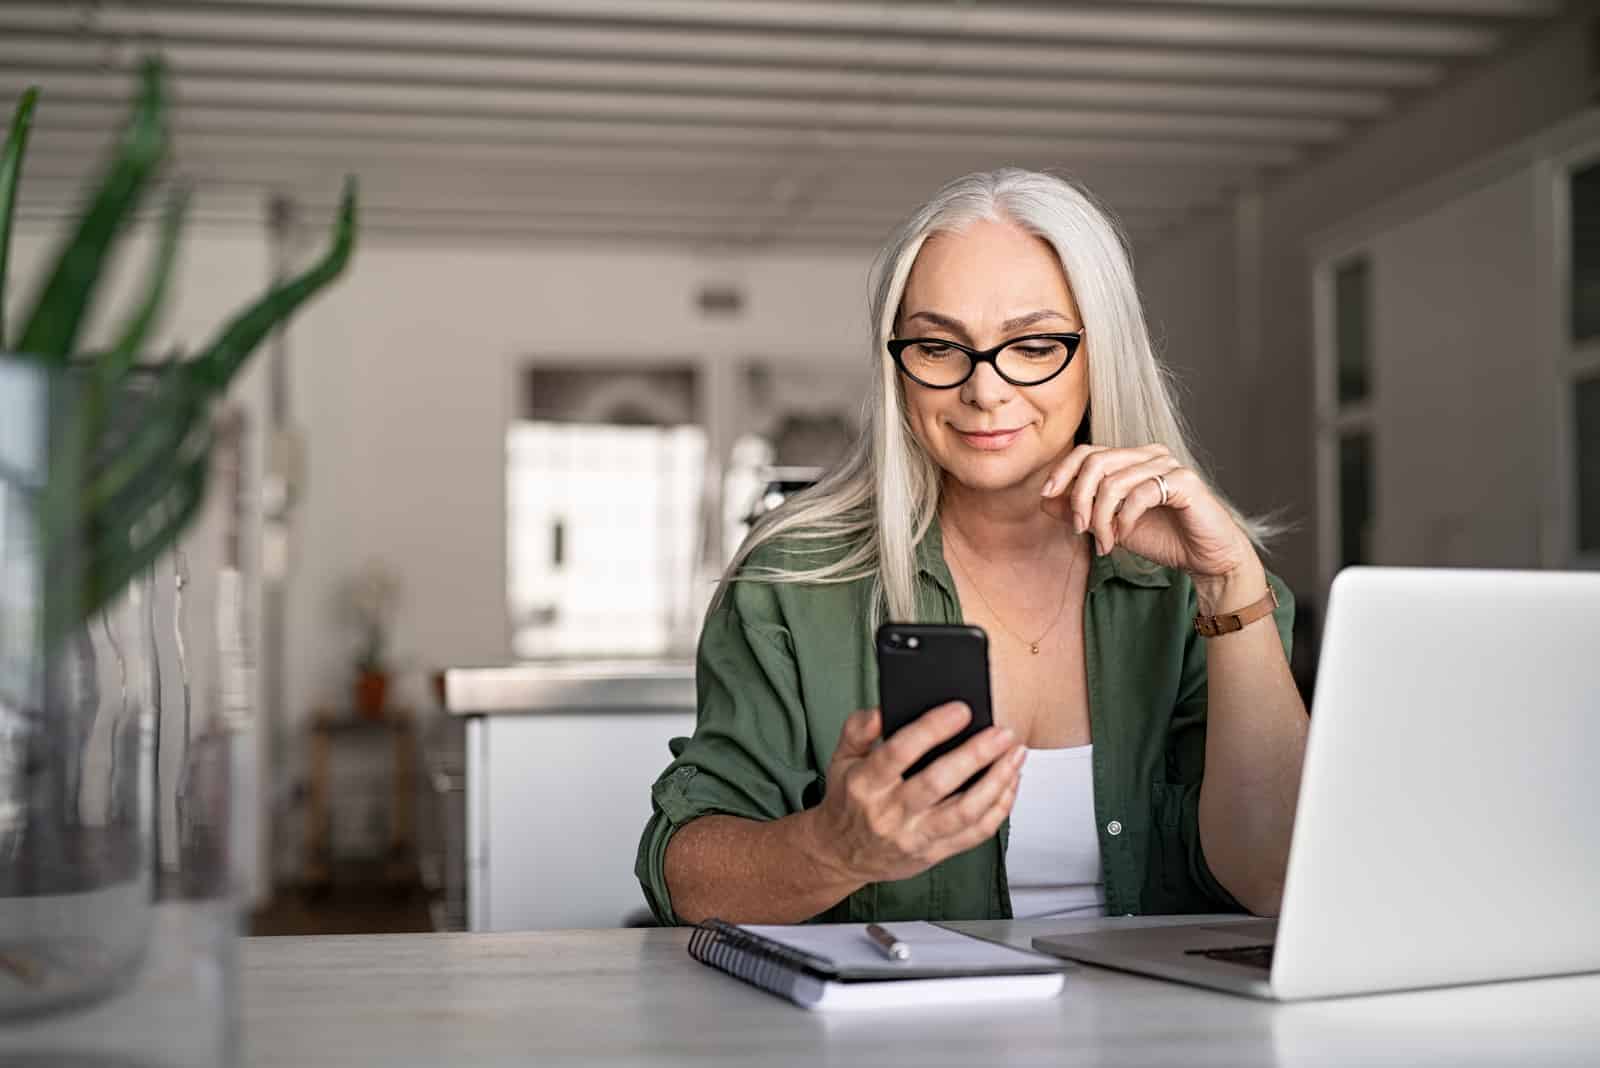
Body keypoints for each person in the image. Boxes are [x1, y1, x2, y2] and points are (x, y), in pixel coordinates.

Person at [636, 169, 1309, 926]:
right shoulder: (793, 580)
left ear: (1101, 353)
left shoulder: (1209, 590)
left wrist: (1230, 588)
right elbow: (685, 878)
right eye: (937, 347)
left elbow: (1277, 880)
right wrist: (834, 848)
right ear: (898, 367)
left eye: (1032, 345)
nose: (984, 391)